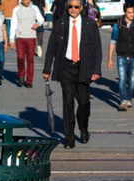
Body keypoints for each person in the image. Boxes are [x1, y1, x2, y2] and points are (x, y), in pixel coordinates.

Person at [43, 0, 101, 149]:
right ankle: (69, 138)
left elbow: (97, 49)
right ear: (67, 8)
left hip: (83, 68)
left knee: (83, 103)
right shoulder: (60, 24)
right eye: (70, 7)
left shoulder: (90, 24)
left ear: (81, 8)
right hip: (66, 67)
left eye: (76, 7)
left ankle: (83, 128)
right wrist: (47, 69)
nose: (73, 9)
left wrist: (96, 70)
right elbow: (51, 49)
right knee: (68, 102)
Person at [107, 3, 134, 111]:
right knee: (122, 79)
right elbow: (113, 41)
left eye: (132, 12)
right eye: (129, 12)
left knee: (132, 80)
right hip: (122, 55)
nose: (131, 15)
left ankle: (129, 99)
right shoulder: (119, 24)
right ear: (125, 12)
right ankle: (123, 100)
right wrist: (109, 58)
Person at [9, 0, 43, 88]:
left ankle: (29, 80)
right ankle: (21, 76)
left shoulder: (34, 8)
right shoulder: (16, 9)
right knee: (20, 57)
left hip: (31, 37)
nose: (27, 1)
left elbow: (41, 19)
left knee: (30, 59)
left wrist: (38, 23)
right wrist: (11, 39)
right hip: (20, 37)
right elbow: (13, 24)